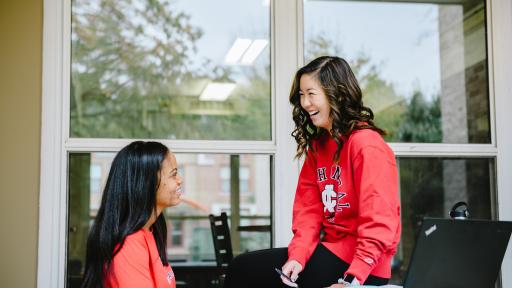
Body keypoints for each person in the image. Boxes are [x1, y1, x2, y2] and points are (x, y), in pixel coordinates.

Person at [224, 56, 401, 288]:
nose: (305, 103)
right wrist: (297, 257)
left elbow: (379, 221)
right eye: (301, 95)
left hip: (363, 265)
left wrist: (351, 281)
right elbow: (308, 213)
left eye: (311, 93)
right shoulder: (320, 147)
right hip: (331, 252)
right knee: (247, 269)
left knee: (244, 271)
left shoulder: (366, 145)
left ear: (336, 94)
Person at [81, 141, 183, 288]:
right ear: (147, 182)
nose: (180, 180)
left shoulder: (151, 231)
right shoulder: (128, 246)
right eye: (173, 174)